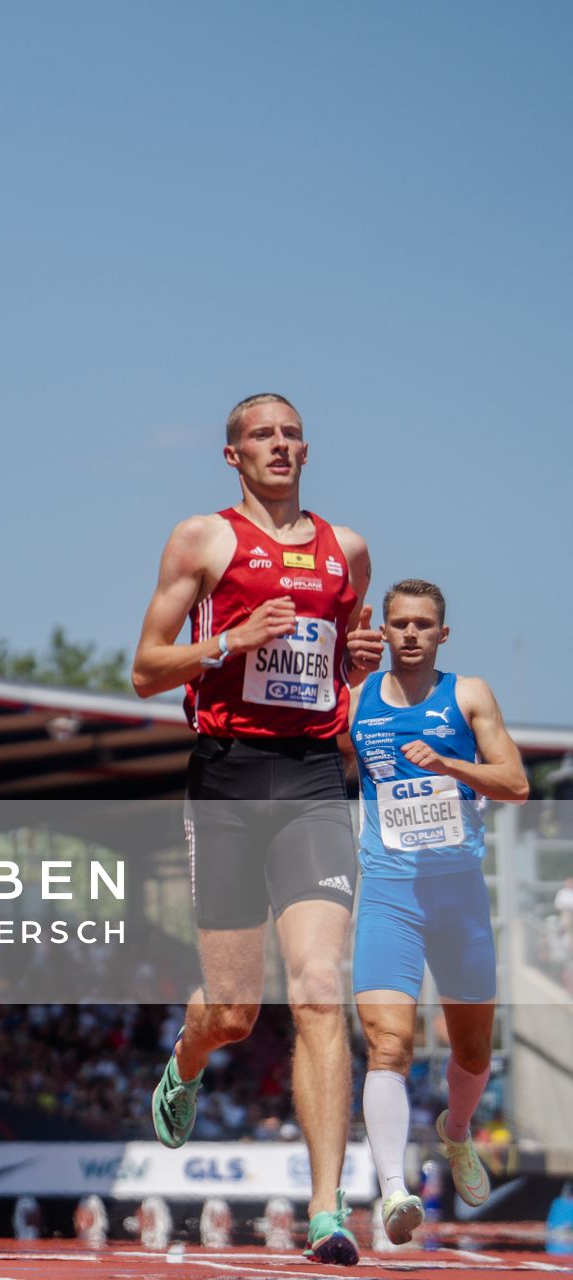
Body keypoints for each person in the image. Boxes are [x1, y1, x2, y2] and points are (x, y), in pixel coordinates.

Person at [131, 392, 381, 1265]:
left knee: (319, 985)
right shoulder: (202, 539)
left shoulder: (346, 550)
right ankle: (186, 1060)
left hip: (313, 777)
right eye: (260, 436)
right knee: (236, 1011)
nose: (278, 445)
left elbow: (336, 666)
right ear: (232, 456)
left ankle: (326, 1210)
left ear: (307, 450)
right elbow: (143, 670)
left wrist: (356, 664)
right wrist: (230, 640)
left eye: (289, 434)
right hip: (229, 776)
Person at [350, 580, 528, 1245]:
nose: (411, 634)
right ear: (386, 631)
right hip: (390, 895)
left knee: (473, 1049)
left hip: (459, 898)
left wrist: (451, 765)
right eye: (399, 623)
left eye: (424, 624)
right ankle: (393, 1188)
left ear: (441, 634)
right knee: (387, 1044)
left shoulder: (470, 693)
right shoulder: (357, 702)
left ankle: (456, 1134)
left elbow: (514, 782)